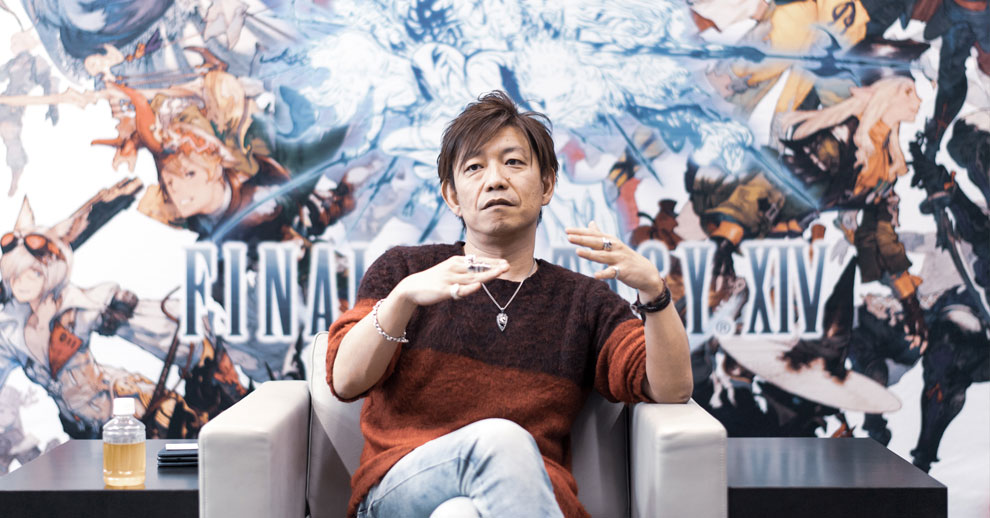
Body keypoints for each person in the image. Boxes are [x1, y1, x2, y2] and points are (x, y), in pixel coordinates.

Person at [326, 91, 692, 518]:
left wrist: (653, 291)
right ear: (452, 196)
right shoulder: (404, 270)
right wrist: (403, 298)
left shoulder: (584, 302)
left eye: (513, 162)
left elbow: (671, 389)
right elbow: (345, 381)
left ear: (547, 185)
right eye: (475, 167)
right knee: (500, 440)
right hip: (400, 492)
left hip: (520, 498)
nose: (495, 180)